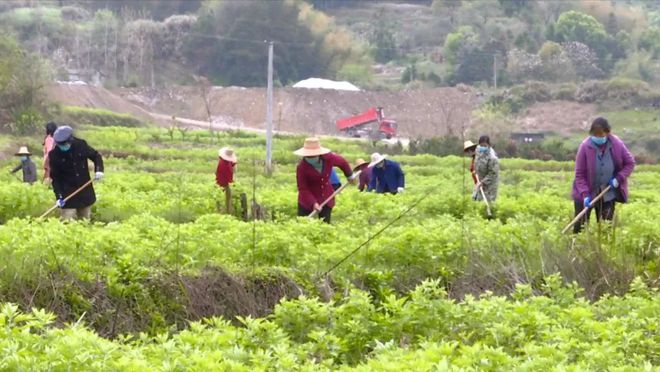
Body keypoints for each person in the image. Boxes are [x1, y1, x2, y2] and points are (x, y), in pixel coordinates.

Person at [572, 117, 635, 233]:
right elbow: (579, 174)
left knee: (606, 228)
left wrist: (619, 178)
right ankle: (575, 248)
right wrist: (585, 194)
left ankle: (602, 249)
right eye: (595, 135)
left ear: (607, 132)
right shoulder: (585, 146)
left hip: (607, 192)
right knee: (579, 227)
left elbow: (630, 163)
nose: (598, 137)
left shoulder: (616, 144)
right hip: (586, 192)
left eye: (601, 135)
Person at [49, 125, 104, 221]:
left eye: (64, 144)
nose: (63, 147)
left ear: (70, 140)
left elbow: (96, 156)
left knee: (85, 220)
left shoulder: (81, 145)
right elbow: (55, 178)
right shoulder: (54, 155)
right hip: (68, 195)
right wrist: (59, 197)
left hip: (84, 190)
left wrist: (99, 170)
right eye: (60, 145)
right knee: (67, 222)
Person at [295, 137, 355, 223]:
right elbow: (303, 189)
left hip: (326, 197)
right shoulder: (302, 167)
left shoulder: (328, 158)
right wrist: (313, 203)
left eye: (313, 155)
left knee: (325, 226)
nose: (311, 157)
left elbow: (342, 162)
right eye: (308, 155)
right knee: (303, 224)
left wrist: (349, 176)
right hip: (307, 200)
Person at [473, 135, 499, 203]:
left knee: (488, 202)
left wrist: (483, 182)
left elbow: (493, 173)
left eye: (485, 145)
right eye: (481, 145)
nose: (483, 147)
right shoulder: (478, 152)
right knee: (477, 200)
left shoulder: (492, 156)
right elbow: (477, 164)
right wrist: (475, 171)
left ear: (488, 145)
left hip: (490, 185)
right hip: (480, 182)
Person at [216, 147, 237, 213]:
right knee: (228, 197)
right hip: (227, 181)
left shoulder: (221, 160)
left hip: (220, 180)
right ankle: (227, 210)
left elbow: (217, 171)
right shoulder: (229, 163)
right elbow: (234, 170)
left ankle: (222, 209)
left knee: (220, 195)